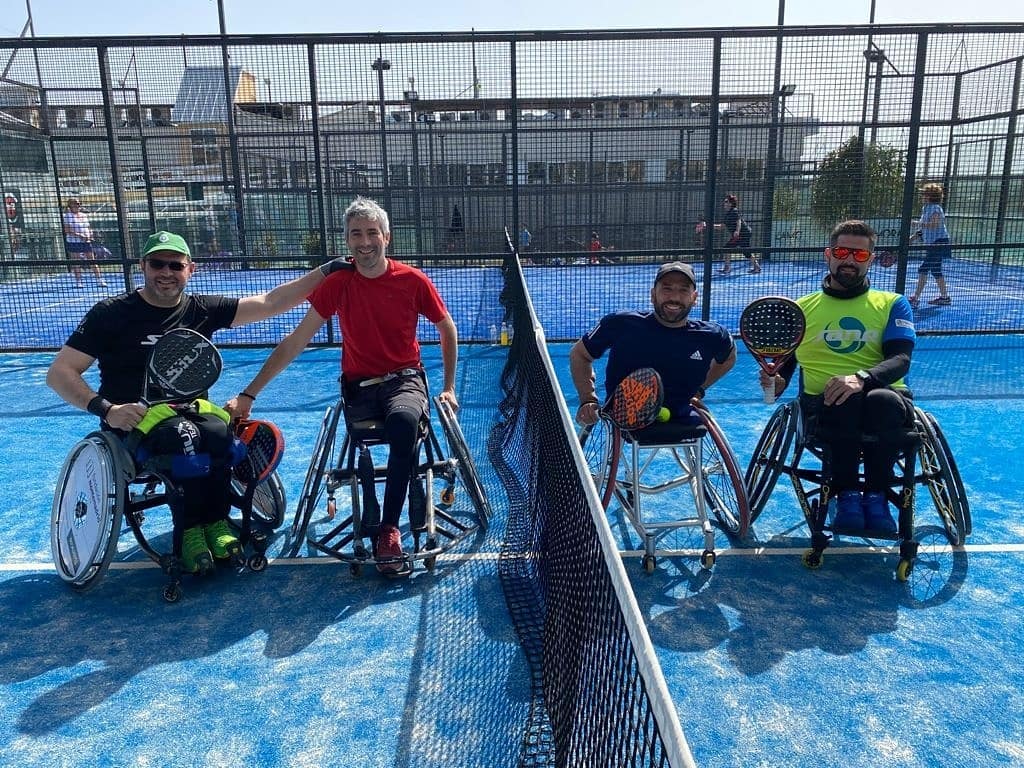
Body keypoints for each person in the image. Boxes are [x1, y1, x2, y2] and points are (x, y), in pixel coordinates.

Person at [47, 229, 342, 575]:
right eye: (158, 263)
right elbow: (60, 372)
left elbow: (271, 303)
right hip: (134, 420)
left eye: (175, 265)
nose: (166, 272)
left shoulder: (201, 309)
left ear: (191, 269)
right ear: (143, 265)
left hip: (191, 413)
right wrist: (107, 410)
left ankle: (216, 522)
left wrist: (327, 270)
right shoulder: (111, 314)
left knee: (219, 433)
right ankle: (189, 531)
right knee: (183, 437)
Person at [228, 197, 459, 576]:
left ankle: (388, 531)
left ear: (387, 237)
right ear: (347, 241)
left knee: (402, 425)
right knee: (380, 431)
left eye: (372, 233)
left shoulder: (413, 281)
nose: (364, 241)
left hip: (405, 381)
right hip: (359, 389)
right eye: (356, 234)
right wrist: (250, 393)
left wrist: (448, 386)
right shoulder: (338, 284)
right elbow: (296, 340)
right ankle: (380, 522)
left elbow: (446, 327)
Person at [759, 220, 917, 533]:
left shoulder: (893, 303)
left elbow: (900, 359)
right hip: (824, 407)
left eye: (859, 255)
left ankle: (876, 498)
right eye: (843, 251)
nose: (849, 260)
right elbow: (784, 374)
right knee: (840, 398)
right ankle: (846, 496)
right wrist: (774, 384)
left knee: (880, 399)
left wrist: (859, 378)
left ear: (870, 259)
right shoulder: (800, 309)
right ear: (828, 254)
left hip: (885, 401)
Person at [570, 261, 736, 435]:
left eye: (683, 290)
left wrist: (700, 390)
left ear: (694, 298)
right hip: (626, 413)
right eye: (667, 288)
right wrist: (587, 398)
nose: (675, 297)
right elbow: (580, 354)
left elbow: (729, 357)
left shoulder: (713, 335)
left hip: (681, 413)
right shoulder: (620, 323)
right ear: (653, 295)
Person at [907, 183, 952, 308]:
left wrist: (917, 223)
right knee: (936, 270)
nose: (922, 196)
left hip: (939, 243)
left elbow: (934, 225)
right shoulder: (926, 208)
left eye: (924, 194)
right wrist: (914, 237)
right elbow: (926, 228)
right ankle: (945, 297)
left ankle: (915, 298)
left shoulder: (936, 208)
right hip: (932, 243)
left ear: (930, 196)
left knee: (923, 269)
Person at [63, 198, 107, 288]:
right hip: (74, 242)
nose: (77, 205)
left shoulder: (83, 215)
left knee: (92, 260)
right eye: (75, 204)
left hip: (86, 242)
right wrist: (79, 235)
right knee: (77, 261)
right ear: (70, 205)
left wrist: (90, 234)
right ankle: (79, 281)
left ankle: (99, 280)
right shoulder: (68, 216)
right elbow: (67, 230)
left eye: (78, 203)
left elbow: (88, 227)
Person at [715, 194, 759, 275]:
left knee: (727, 248)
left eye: (726, 201)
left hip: (742, 234)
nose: (724, 203)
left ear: (730, 203)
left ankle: (727, 268)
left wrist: (737, 231)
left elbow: (738, 221)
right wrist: (707, 226)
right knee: (746, 251)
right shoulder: (728, 214)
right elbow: (722, 226)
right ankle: (757, 267)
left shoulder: (734, 211)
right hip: (743, 234)